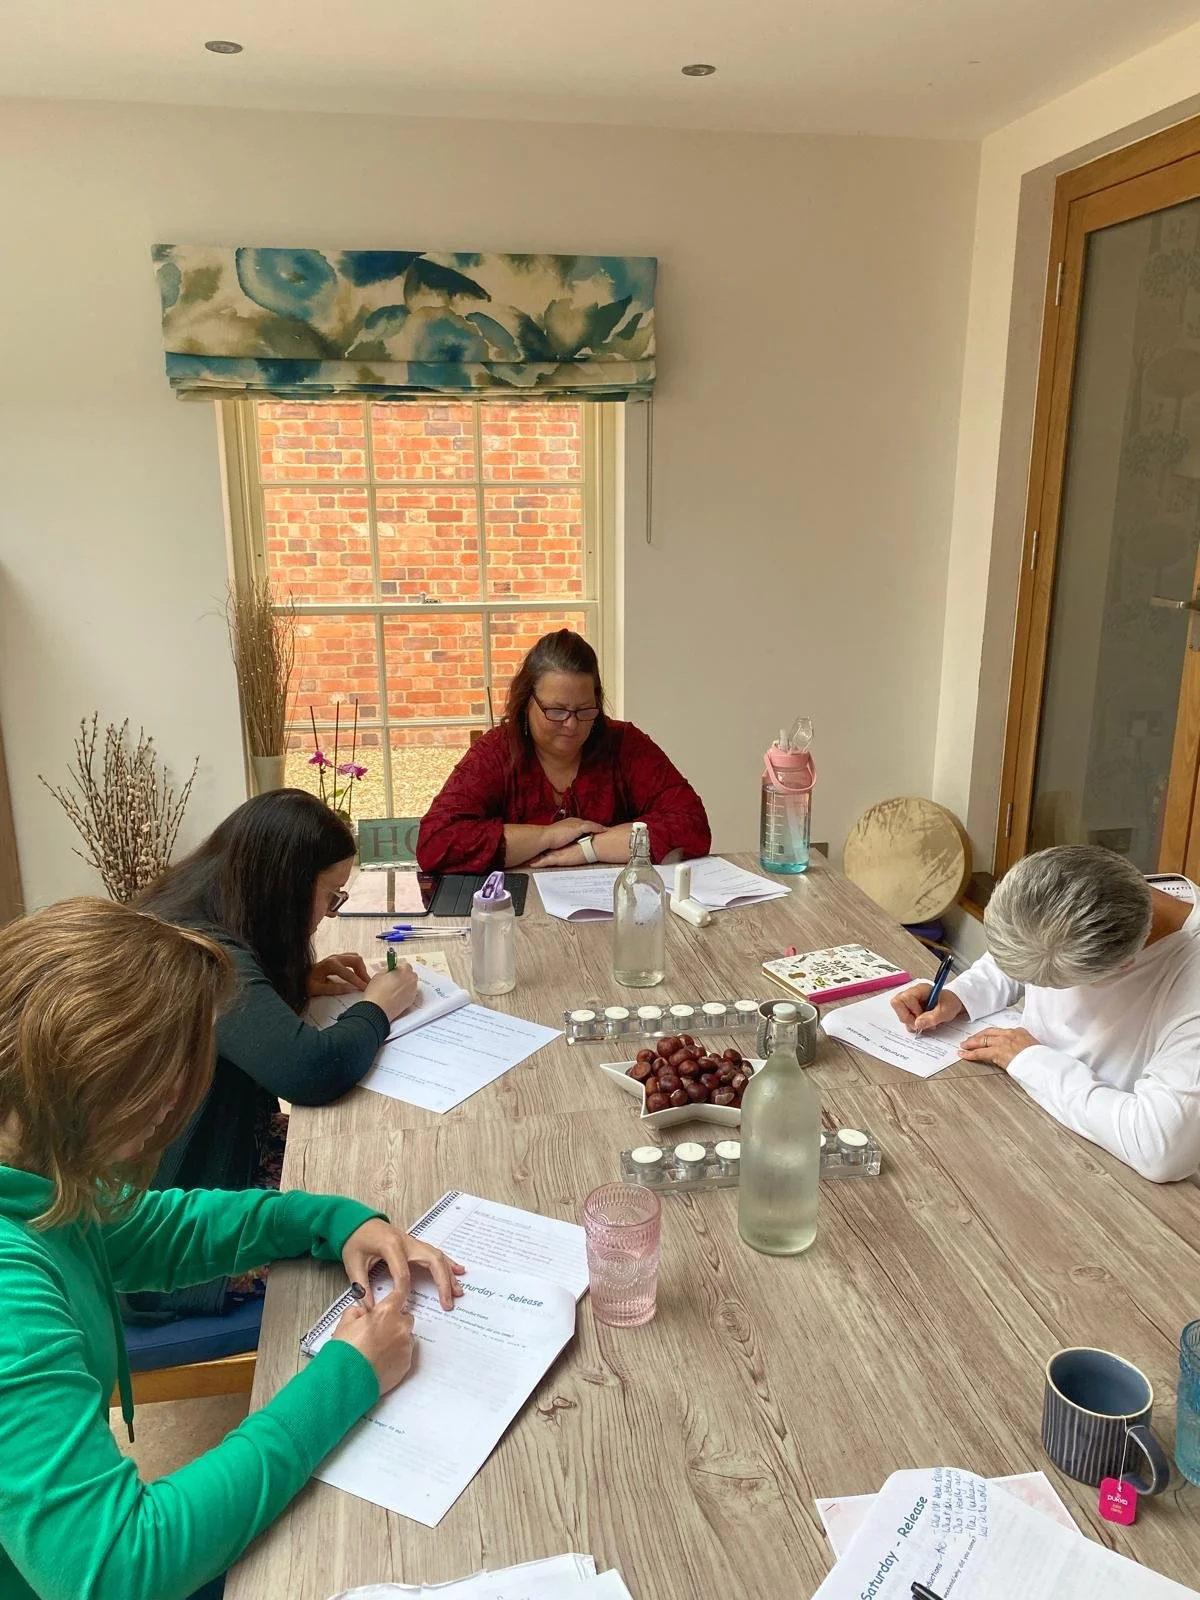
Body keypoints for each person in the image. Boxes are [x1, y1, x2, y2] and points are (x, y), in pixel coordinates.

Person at [0, 897, 462, 1600]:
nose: (172, 1113)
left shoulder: (33, 1170)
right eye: (165, 1093)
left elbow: (154, 1228)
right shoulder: (10, 1293)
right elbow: (119, 1569)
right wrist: (346, 1375)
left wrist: (329, 1220)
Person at [133, 789, 419, 1318]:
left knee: (363, 1176)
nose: (329, 913)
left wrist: (290, 984)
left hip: (174, 1179)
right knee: (378, 1212)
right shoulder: (204, 954)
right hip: (170, 1220)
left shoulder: (187, 909)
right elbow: (310, 1071)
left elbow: (237, 1027)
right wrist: (376, 1008)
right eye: (331, 895)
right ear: (285, 887)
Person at [891, 845, 1200, 1183]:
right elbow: (1020, 959)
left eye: (1060, 985)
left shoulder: (1187, 974)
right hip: (1025, 1104)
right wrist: (959, 995)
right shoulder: (1080, 888)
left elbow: (1161, 1150)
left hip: (1104, 1168)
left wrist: (1031, 1061)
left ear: (1127, 963)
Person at [416, 629, 711, 873]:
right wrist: (547, 835)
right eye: (556, 711)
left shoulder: (624, 744)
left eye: (584, 710)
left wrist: (588, 849)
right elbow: (436, 842)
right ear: (526, 701)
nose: (571, 725)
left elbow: (692, 825)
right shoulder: (497, 751)